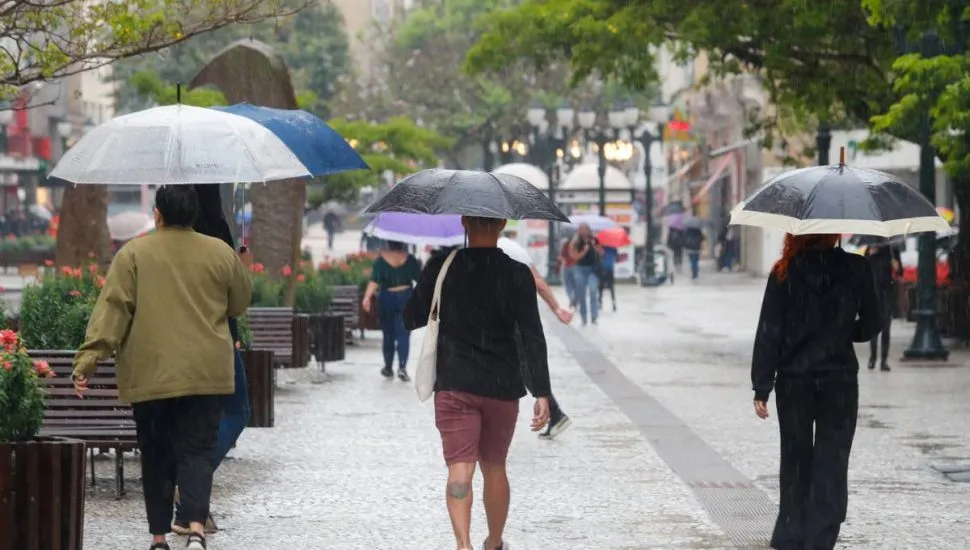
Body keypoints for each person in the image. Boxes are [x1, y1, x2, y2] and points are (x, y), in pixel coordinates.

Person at [72, 185, 252, 550]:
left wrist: (88, 360)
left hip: (150, 373)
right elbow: (238, 304)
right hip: (205, 373)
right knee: (197, 451)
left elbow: (114, 309)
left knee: (155, 454)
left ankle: (158, 538)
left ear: (158, 215)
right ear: (194, 213)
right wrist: (241, 266)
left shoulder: (133, 254)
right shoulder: (220, 252)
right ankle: (196, 529)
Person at [403, 216, 551, 550]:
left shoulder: (443, 267)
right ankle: (494, 542)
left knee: (460, 469)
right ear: (502, 223)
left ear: (464, 222)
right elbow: (532, 335)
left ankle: (463, 544)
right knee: (495, 467)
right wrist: (541, 391)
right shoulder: (516, 273)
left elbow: (410, 318)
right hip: (501, 386)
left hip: (454, 384)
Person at [751, 233, 880, 550]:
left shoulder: (784, 272)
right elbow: (875, 321)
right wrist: (843, 331)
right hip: (839, 380)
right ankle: (821, 535)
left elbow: (769, 330)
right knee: (832, 458)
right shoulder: (857, 268)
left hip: (794, 380)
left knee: (795, 457)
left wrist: (762, 385)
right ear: (835, 232)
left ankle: (791, 532)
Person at [170, 184, 253, 535]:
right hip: (215, 338)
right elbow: (234, 299)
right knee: (237, 411)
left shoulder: (164, 239)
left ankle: (188, 513)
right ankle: (186, 482)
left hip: (175, 339)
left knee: (193, 423)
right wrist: (243, 267)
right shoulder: (217, 234)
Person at [497, 236, 574, 440]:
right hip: (517, 317)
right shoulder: (514, 247)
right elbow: (539, 281)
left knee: (522, 366)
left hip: (509, 319)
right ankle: (553, 412)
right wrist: (556, 307)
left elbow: (537, 283)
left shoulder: (500, 249)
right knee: (521, 365)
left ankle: (554, 412)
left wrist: (556, 308)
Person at [363, 240, 422, 381]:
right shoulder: (411, 260)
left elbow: (374, 281)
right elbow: (421, 279)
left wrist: (366, 297)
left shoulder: (380, 261)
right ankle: (402, 368)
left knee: (388, 334)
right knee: (404, 335)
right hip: (406, 297)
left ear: (388, 243)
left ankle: (388, 367)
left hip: (387, 297)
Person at [864, 241, 902, 371]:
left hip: (887, 292)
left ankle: (884, 360)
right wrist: (870, 255)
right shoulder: (871, 247)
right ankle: (873, 357)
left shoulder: (892, 250)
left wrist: (896, 266)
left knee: (886, 327)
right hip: (873, 292)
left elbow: (900, 271)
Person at [569, 223, 603, 325]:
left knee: (593, 290)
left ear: (588, 230)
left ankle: (594, 316)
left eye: (585, 229)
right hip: (580, 269)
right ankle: (583, 316)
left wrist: (595, 247)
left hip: (593, 269)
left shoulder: (594, 239)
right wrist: (584, 251)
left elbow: (602, 252)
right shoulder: (576, 241)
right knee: (581, 294)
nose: (583, 231)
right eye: (581, 229)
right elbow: (574, 256)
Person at [558, 237, 578, 308]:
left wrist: (563, 259)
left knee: (568, 285)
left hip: (566, 265)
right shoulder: (577, 244)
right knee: (575, 284)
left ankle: (572, 299)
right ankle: (574, 299)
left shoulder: (565, 244)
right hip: (575, 266)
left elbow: (561, 255)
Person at [599, 245, 618, 311]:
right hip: (609, 269)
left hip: (603, 269)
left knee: (601, 287)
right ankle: (613, 304)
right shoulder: (613, 248)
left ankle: (600, 303)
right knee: (611, 287)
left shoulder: (601, 247)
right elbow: (616, 258)